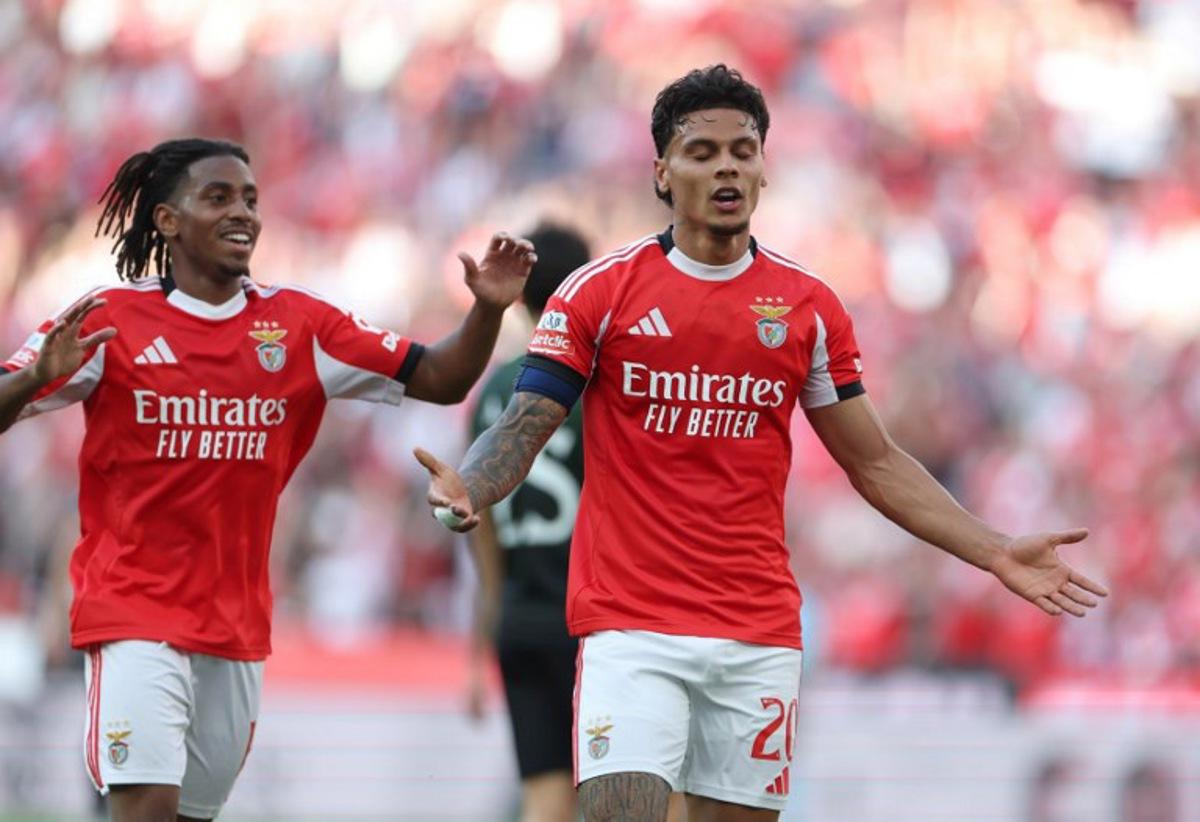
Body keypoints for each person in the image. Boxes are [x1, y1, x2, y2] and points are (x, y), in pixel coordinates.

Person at [415, 65, 1108, 822]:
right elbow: (524, 423)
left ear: (764, 168)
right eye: (703, 151)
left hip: (757, 633)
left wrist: (995, 549)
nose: (726, 167)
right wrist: (472, 487)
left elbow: (873, 461)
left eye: (743, 150)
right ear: (661, 172)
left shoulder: (808, 309)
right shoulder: (600, 294)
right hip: (630, 626)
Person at [0, 138, 536, 822]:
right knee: (146, 808)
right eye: (218, 197)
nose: (243, 213)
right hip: (131, 611)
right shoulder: (111, 320)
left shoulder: (301, 326)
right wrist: (34, 378)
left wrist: (486, 311)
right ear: (166, 220)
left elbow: (442, 377)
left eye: (251, 198)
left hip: (234, 625)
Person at [465, 223, 591, 822]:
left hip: (519, 613)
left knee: (544, 799)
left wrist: (484, 631)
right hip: (593, 617)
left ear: (521, 296)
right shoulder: (598, 381)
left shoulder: (495, 387)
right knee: (630, 791)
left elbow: (480, 520)